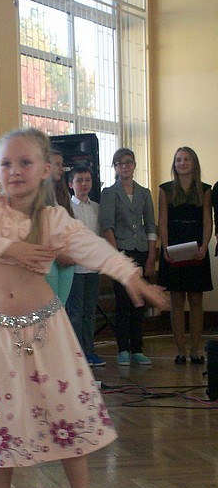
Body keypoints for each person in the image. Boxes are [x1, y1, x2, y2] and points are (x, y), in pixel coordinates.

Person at [0, 127, 166, 488]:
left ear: (46, 169)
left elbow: (92, 248)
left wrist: (131, 276)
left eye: (25, 162)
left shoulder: (52, 219)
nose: (14, 170)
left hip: (48, 328)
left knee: (66, 416)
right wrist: (9, 248)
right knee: (2, 420)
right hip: (0, 335)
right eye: (6, 163)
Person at [99, 148, 157, 366]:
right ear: (115, 167)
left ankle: (137, 349)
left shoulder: (144, 193)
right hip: (121, 250)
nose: (125, 166)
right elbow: (107, 226)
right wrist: (117, 258)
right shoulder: (109, 193)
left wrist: (151, 255)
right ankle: (123, 348)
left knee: (139, 301)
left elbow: (150, 226)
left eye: (128, 162)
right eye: (120, 163)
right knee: (123, 302)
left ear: (134, 165)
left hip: (141, 251)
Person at [158, 147, 213, 364]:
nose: (182, 163)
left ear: (194, 163)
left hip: (197, 249)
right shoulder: (165, 189)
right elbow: (163, 221)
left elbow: (207, 221)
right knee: (177, 301)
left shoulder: (205, 190)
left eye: (186, 159)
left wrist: (204, 246)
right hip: (174, 249)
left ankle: (195, 350)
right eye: (178, 160)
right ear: (174, 164)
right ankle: (181, 350)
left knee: (197, 300)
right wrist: (165, 248)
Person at [66, 165, 105, 367]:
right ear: (70, 184)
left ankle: (90, 351)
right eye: (79, 180)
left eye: (87, 180)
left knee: (90, 312)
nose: (84, 184)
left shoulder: (96, 208)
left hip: (92, 268)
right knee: (75, 313)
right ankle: (77, 354)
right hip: (74, 269)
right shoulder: (66, 209)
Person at [44, 149, 75, 304]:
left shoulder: (64, 193)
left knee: (61, 308)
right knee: (49, 308)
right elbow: (40, 230)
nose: (61, 168)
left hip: (66, 253)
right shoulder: (36, 194)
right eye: (57, 164)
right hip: (48, 257)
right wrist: (58, 254)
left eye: (61, 164)